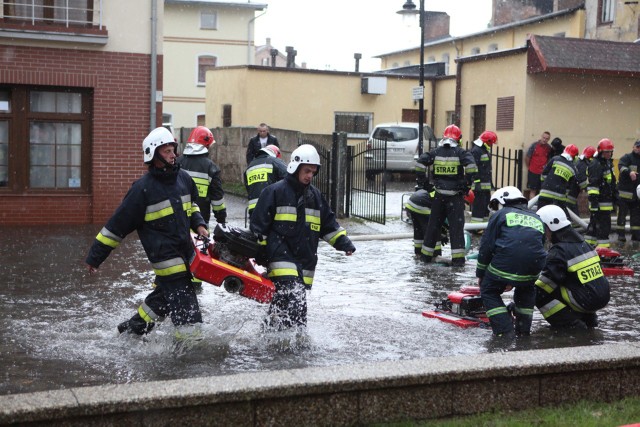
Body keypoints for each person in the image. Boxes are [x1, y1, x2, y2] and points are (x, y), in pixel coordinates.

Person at [85, 127, 209, 337]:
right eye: (167, 151)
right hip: (166, 260)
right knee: (188, 313)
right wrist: (95, 258)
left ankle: (130, 331)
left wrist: (199, 224)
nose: (172, 155)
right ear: (153, 154)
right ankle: (189, 352)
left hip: (186, 254)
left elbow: (193, 206)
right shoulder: (142, 189)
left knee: (162, 300)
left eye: (173, 150)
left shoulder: (184, 179)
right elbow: (116, 227)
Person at [250, 144, 355, 331]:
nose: (309, 176)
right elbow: (259, 226)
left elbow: (328, 225)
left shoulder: (315, 197)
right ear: (295, 167)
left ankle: (274, 340)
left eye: (313, 172)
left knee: (290, 308)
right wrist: (261, 254)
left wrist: (344, 243)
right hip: (280, 258)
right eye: (307, 171)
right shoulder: (275, 192)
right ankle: (286, 342)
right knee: (294, 297)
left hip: (304, 262)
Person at [476, 186, 547, 337]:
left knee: (488, 290)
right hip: (533, 267)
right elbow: (538, 244)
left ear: (503, 200)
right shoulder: (536, 217)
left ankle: (505, 330)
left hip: (507, 262)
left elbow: (486, 247)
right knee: (526, 289)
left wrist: (481, 274)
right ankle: (523, 331)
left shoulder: (501, 215)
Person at [535, 205, 610, 330]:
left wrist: (519, 304)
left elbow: (544, 285)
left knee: (539, 293)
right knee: (573, 283)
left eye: (542, 228)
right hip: (599, 298)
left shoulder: (559, 251)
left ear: (550, 226)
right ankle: (589, 320)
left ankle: (570, 325)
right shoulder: (583, 244)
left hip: (585, 300)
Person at [416, 124, 477, 266]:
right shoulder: (461, 153)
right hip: (455, 198)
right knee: (456, 230)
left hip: (438, 197)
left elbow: (420, 164)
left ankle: (425, 259)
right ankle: (458, 262)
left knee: (433, 228)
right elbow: (472, 167)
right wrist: (466, 185)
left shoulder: (435, 152)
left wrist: (425, 183)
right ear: (459, 139)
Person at [177, 126, 226, 225]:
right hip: (200, 222)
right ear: (206, 145)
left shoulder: (177, 162)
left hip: (178, 220)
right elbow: (217, 200)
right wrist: (221, 220)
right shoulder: (211, 167)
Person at [585, 138, 617, 248]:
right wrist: (594, 204)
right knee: (603, 228)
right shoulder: (596, 164)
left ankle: (589, 248)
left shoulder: (606, 163)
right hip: (599, 203)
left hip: (605, 202)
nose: (609, 154)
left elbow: (611, 182)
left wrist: (615, 196)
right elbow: (593, 186)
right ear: (600, 151)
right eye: (606, 151)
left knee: (594, 227)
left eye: (610, 151)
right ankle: (603, 250)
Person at [243, 144, 287, 217]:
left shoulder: (250, 166)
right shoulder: (274, 161)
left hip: (253, 209)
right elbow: (288, 176)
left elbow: (248, 188)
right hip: (269, 206)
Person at [537, 144, 582, 212]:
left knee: (541, 215)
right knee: (556, 218)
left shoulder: (555, 159)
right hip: (559, 198)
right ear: (574, 156)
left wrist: (544, 185)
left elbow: (544, 174)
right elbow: (569, 187)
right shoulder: (573, 169)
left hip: (545, 194)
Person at [469, 130, 498, 225]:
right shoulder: (476, 151)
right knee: (478, 207)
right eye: (492, 143)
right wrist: (476, 181)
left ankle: (484, 226)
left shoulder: (483, 150)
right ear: (487, 142)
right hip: (479, 186)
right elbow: (473, 167)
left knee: (485, 207)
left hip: (485, 186)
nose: (492, 145)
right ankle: (476, 227)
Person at [614, 139, 640, 242]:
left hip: (636, 195)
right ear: (633, 147)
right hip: (624, 195)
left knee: (636, 217)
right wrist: (629, 172)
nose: (639, 149)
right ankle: (621, 235)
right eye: (637, 147)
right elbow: (621, 166)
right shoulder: (627, 157)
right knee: (622, 216)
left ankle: (636, 236)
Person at [567, 146, 595, 218]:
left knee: (571, 207)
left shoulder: (579, 161)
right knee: (571, 207)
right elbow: (581, 181)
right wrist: (586, 188)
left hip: (569, 187)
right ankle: (576, 225)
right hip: (572, 189)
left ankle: (575, 224)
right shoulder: (583, 165)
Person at [524, 131, 553, 199]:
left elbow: (549, 160)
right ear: (541, 137)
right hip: (533, 172)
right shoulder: (534, 145)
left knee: (542, 191)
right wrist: (529, 167)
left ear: (548, 139)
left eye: (547, 138)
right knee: (533, 190)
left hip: (543, 173)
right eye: (544, 137)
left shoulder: (549, 148)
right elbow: (527, 157)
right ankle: (531, 208)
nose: (544, 140)